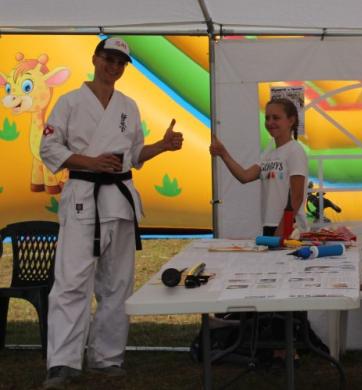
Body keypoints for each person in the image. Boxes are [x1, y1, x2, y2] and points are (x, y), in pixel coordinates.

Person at [39, 38, 184, 389]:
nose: (114, 67)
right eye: (109, 59)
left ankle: (107, 357)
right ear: (95, 59)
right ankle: (62, 362)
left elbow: (133, 154)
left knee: (117, 283)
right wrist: (89, 162)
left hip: (119, 202)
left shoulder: (128, 106)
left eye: (120, 63)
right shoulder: (69, 102)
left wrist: (162, 146)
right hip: (83, 197)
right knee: (72, 282)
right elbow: (48, 147)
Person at [210, 97, 308, 236]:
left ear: (291, 121)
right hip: (269, 224)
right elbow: (245, 176)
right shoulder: (268, 153)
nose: (270, 122)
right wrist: (223, 153)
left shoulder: (295, 151)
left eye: (276, 118)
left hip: (289, 227)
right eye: (267, 118)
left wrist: (282, 231)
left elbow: (297, 197)